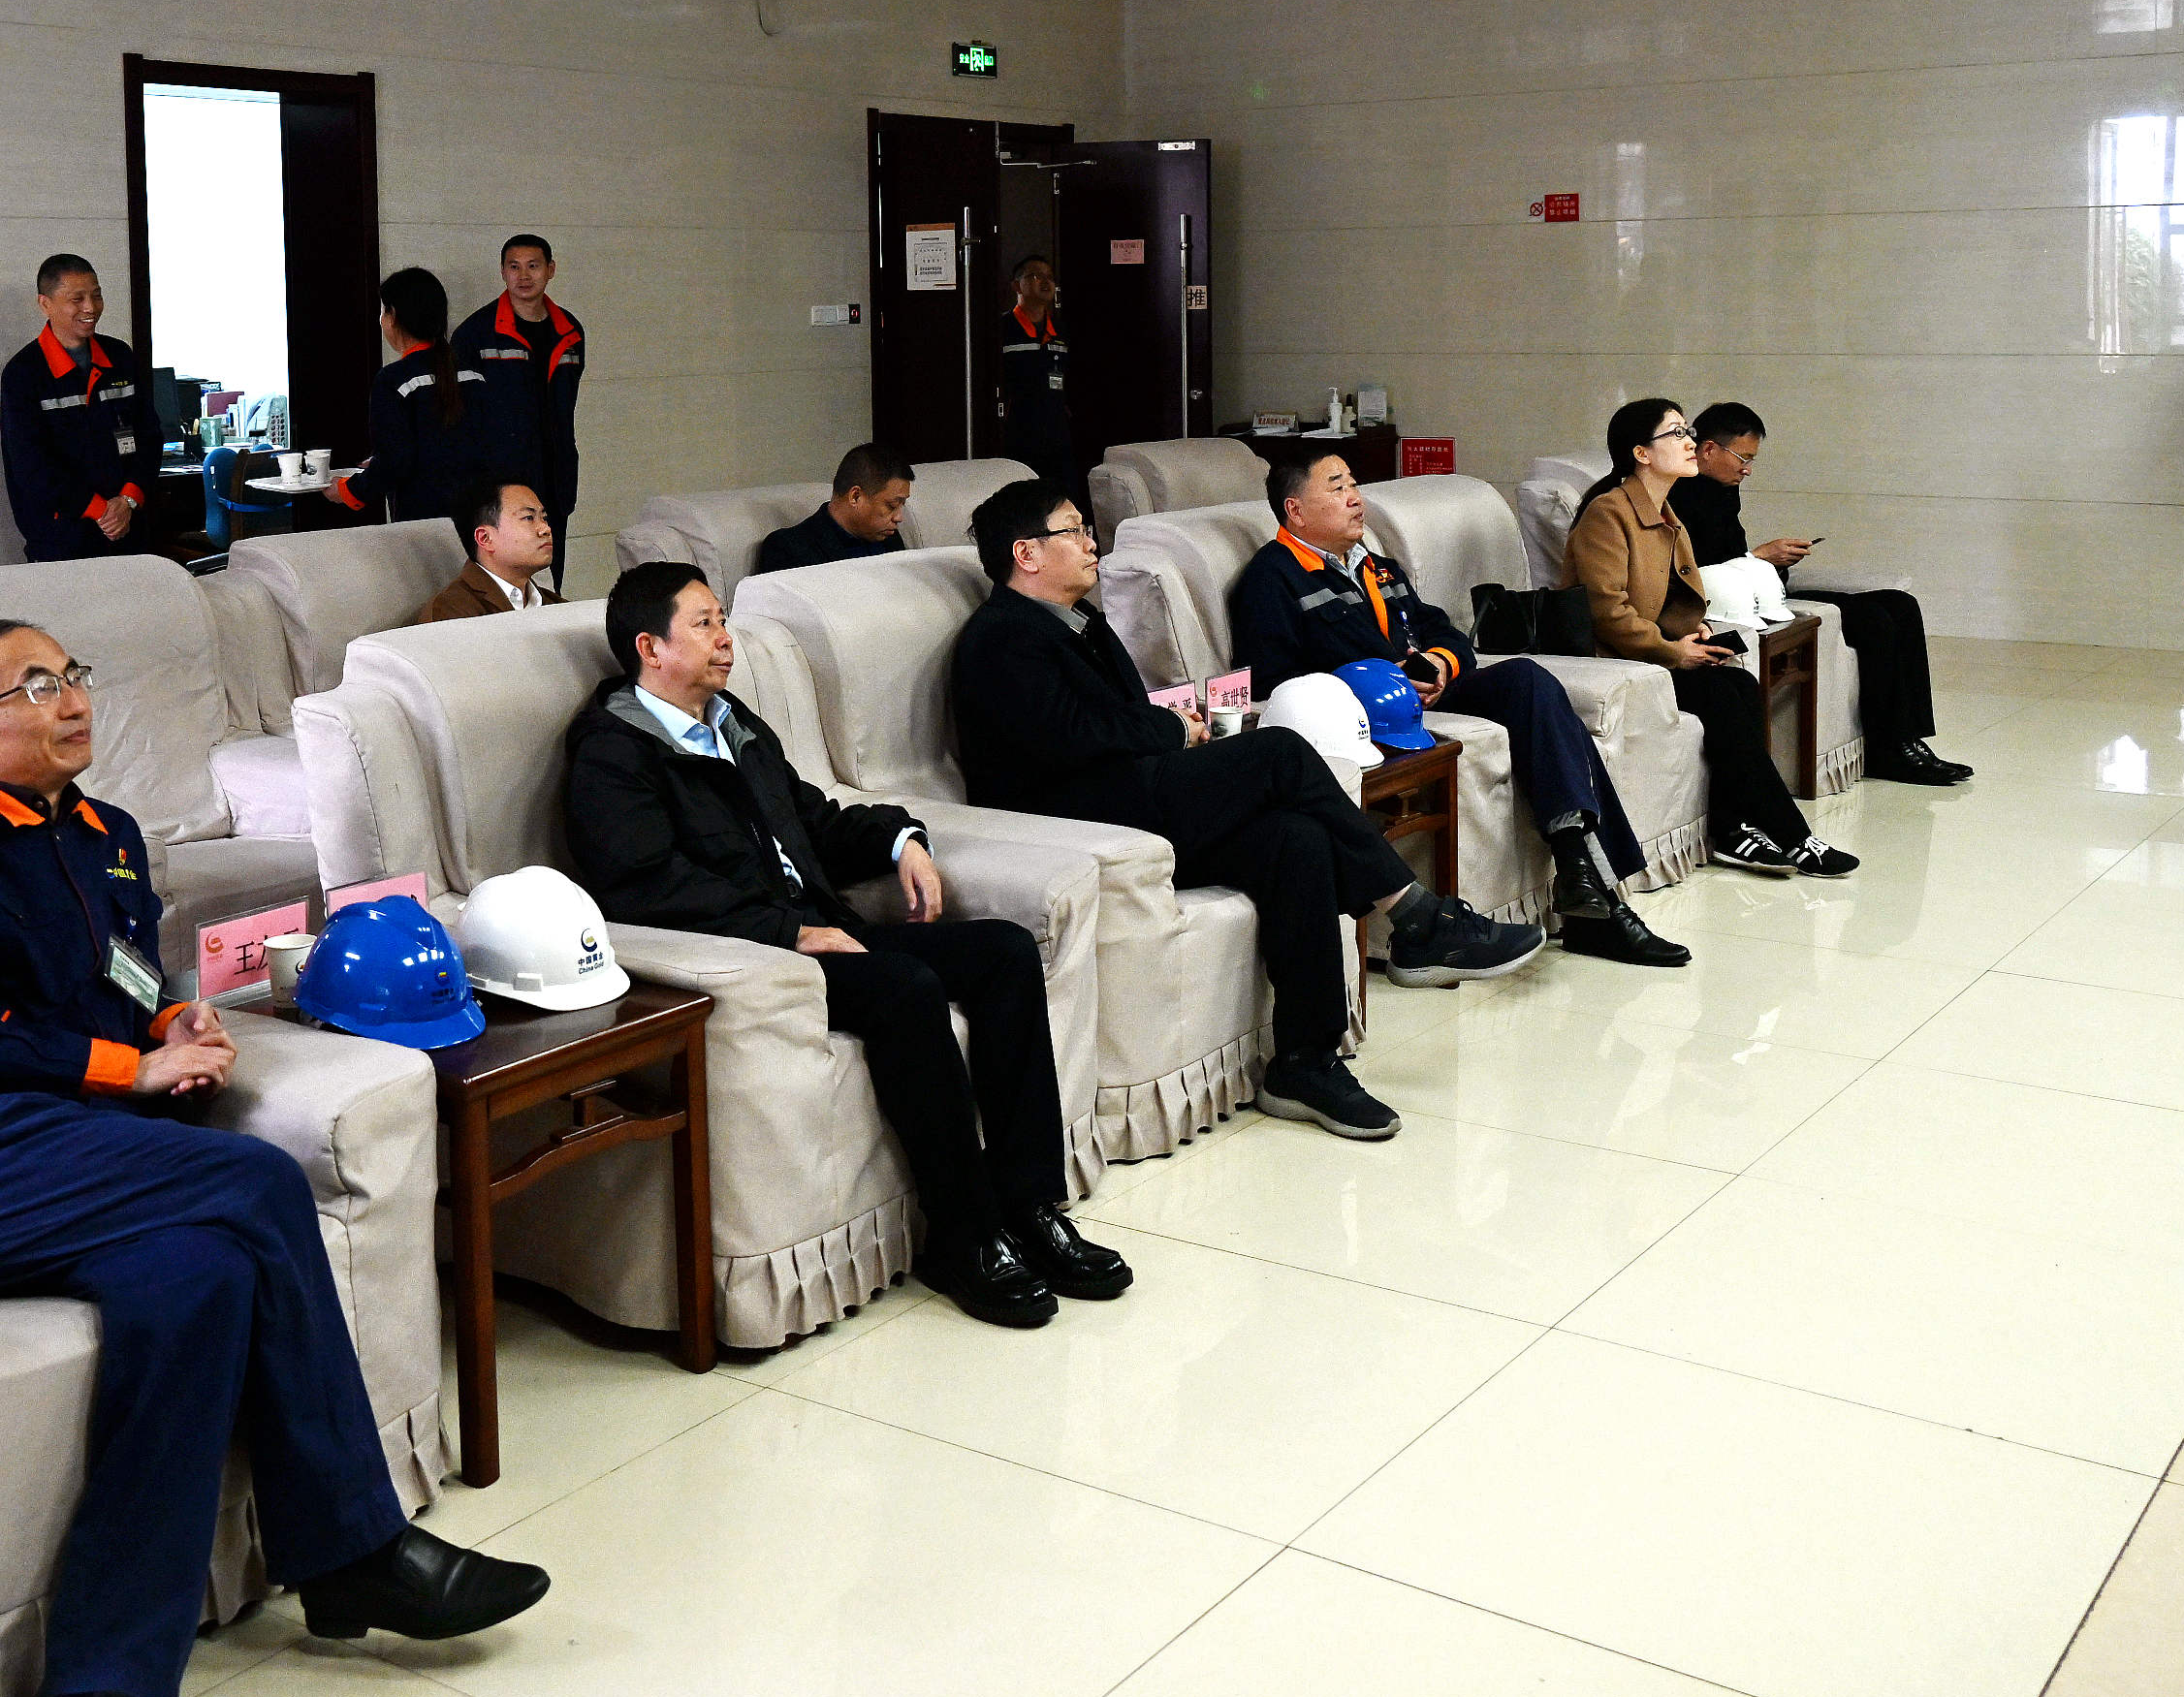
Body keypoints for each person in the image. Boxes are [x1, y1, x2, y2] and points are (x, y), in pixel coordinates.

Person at [0, 616, 548, 1697]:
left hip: (75, 1150)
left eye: (75, 674)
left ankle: (92, 1695)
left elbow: (121, 978)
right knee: (256, 1180)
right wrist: (133, 1068)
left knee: (199, 1281)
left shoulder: (108, 837)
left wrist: (174, 1018)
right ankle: (354, 1546)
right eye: (38, 685)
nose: (74, 699)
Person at [567, 563, 1123, 1327]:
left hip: (826, 927)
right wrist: (789, 932)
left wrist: (900, 840)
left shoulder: (732, 723)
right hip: (766, 956)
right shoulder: (614, 752)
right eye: (704, 623)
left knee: (1004, 952)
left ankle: (1029, 1207)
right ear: (649, 646)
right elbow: (644, 887)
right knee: (906, 988)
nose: (726, 638)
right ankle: (963, 1236)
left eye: (723, 619)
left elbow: (812, 819)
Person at [949, 478, 1538, 1142]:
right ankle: (1415, 917)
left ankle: (1305, 1062)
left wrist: (1176, 726)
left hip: (1127, 791)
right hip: (1074, 818)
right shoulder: (1002, 637)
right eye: (1074, 530)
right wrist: (1171, 730)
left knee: (1294, 839)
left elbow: (1119, 722)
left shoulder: (1081, 622)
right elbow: (1070, 739)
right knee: (1281, 752)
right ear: (1026, 553)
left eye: (1089, 529)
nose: (1092, 543)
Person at [1227, 449, 1684, 965]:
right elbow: (1274, 682)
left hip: (1430, 694)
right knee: (1558, 724)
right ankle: (1595, 900)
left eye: (1354, 484)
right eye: (1337, 487)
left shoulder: (1377, 567)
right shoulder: (1274, 578)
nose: (1355, 498)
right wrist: (1378, 679)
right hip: (1367, 713)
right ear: (1295, 510)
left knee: (1527, 681)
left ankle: (1579, 867)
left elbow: (1442, 630)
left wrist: (1442, 665)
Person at [1567, 400, 1858, 881]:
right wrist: (1672, 650)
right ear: (1641, 453)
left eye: (1688, 430)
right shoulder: (1607, 513)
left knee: (1739, 684)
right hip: (1615, 658)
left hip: (1650, 651)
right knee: (1722, 694)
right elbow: (1607, 612)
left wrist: (1691, 629)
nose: (1690, 442)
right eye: (1676, 433)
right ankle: (1792, 834)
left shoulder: (1666, 512)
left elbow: (1678, 596)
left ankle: (1732, 828)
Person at [1671, 403, 1969, 787]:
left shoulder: (1724, 490)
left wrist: (1768, 560)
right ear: (1709, 450)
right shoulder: (1677, 496)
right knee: (1874, 621)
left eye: (1752, 460)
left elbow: (1734, 555)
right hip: (1735, 602)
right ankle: (1888, 748)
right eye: (1743, 458)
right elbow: (1699, 571)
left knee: (1900, 604)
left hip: (1762, 588)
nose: (1747, 469)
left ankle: (1909, 737)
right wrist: (1758, 557)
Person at [2, 255, 168, 566]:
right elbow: (30, 467)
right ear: (45, 304)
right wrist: (100, 511)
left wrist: (128, 500)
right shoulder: (24, 372)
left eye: (96, 295)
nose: (91, 308)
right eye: (76, 299)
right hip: (62, 539)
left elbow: (150, 435)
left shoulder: (120, 356)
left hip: (128, 527)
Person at [452, 236, 586, 579]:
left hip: (555, 472)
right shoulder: (475, 333)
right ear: (502, 272)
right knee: (501, 575)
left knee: (550, 569)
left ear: (550, 270)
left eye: (533, 266)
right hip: (498, 477)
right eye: (514, 267)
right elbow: (461, 415)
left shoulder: (570, 331)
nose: (523, 276)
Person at [339, 267, 510, 525]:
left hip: (422, 523)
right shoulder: (473, 373)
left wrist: (347, 490)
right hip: (479, 519)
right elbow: (465, 443)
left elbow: (395, 463)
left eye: (384, 311)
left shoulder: (393, 380)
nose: (381, 320)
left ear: (393, 316)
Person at [755, 443, 914, 577]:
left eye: (902, 505)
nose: (899, 517)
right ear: (855, 496)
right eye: (892, 505)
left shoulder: (890, 539)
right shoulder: (788, 548)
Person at [419, 481, 561, 620]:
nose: (546, 529)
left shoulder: (557, 607)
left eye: (544, 518)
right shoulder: (451, 612)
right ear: (485, 538)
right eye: (528, 518)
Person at [995, 257, 1072, 493]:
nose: (1045, 282)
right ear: (1016, 286)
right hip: (1018, 427)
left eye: (1050, 277)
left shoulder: (1060, 330)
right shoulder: (1002, 328)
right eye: (1036, 276)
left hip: (1056, 426)